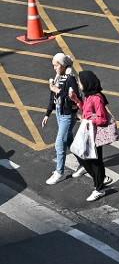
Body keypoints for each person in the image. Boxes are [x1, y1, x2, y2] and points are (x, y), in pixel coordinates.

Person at [42, 52, 81, 185]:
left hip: (68, 115)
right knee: (69, 141)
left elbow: (75, 96)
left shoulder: (70, 78)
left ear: (63, 65)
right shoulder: (58, 77)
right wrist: (47, 114)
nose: (54, 68)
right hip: (59, 112)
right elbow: (52, 98)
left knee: (59, 143)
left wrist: (57, 90)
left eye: (56, 65)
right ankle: (84, 164)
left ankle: (59, 172)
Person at [73, 71, 111, 202]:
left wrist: (89, 118)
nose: (79, 84)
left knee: (95, 161)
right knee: (85, 157)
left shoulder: (96, 98)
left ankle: (99, 188)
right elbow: (86, 111)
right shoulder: (88, 96)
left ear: (87, 83)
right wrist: (77, 101)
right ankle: (100, 180)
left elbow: (103, 119)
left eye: (80, 81)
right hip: (88, 132)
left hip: (95, 133)